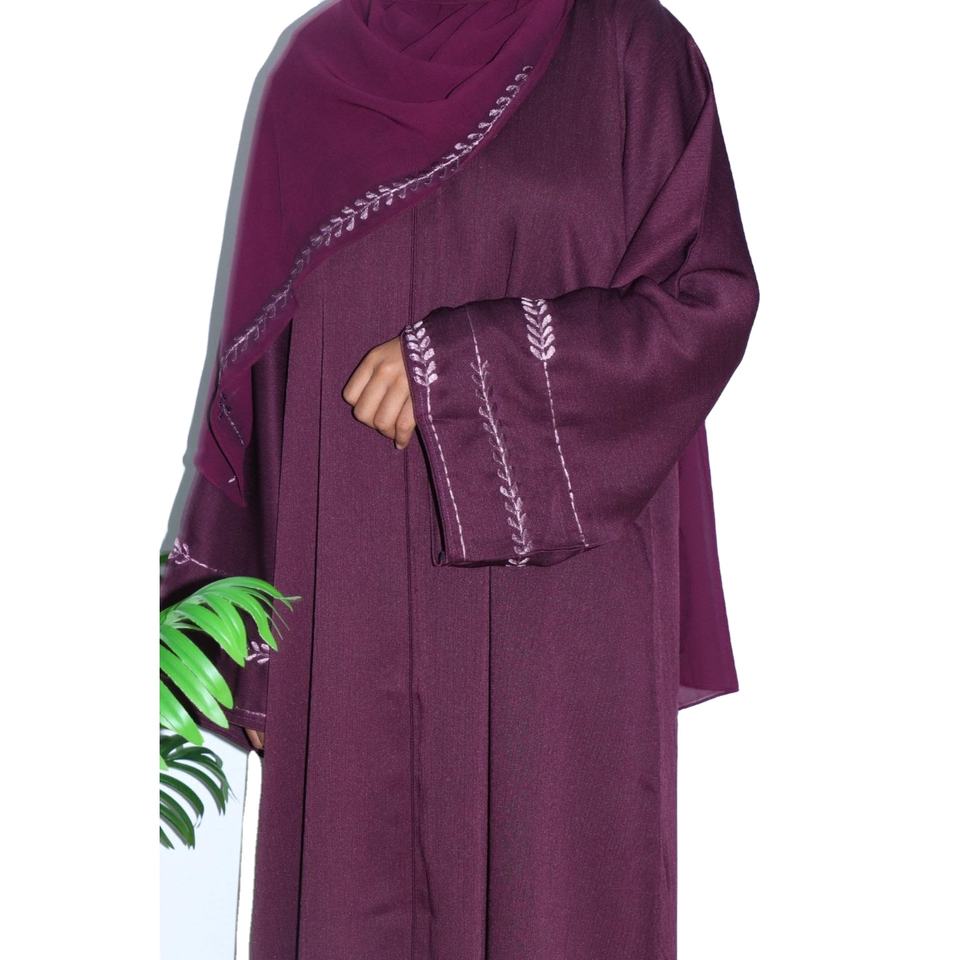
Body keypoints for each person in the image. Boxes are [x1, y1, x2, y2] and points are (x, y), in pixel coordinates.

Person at [160, 0, 759, 955]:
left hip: (558, 634)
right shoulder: (315, 73)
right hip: (353, 624)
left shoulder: (633, 54)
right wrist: (251, 659)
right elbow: (257, 384)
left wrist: (469, 374)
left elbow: (704, 305)